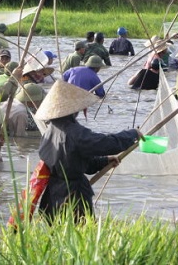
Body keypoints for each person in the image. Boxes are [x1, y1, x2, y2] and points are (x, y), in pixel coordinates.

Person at [35, 80, 140, 222]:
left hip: (52, 197)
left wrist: (104, 161)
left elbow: (73, 160)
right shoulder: (74, 132)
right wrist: (132, 134)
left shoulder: (50, 130)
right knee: (80, 236)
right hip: (73, 197)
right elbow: (105, 143)